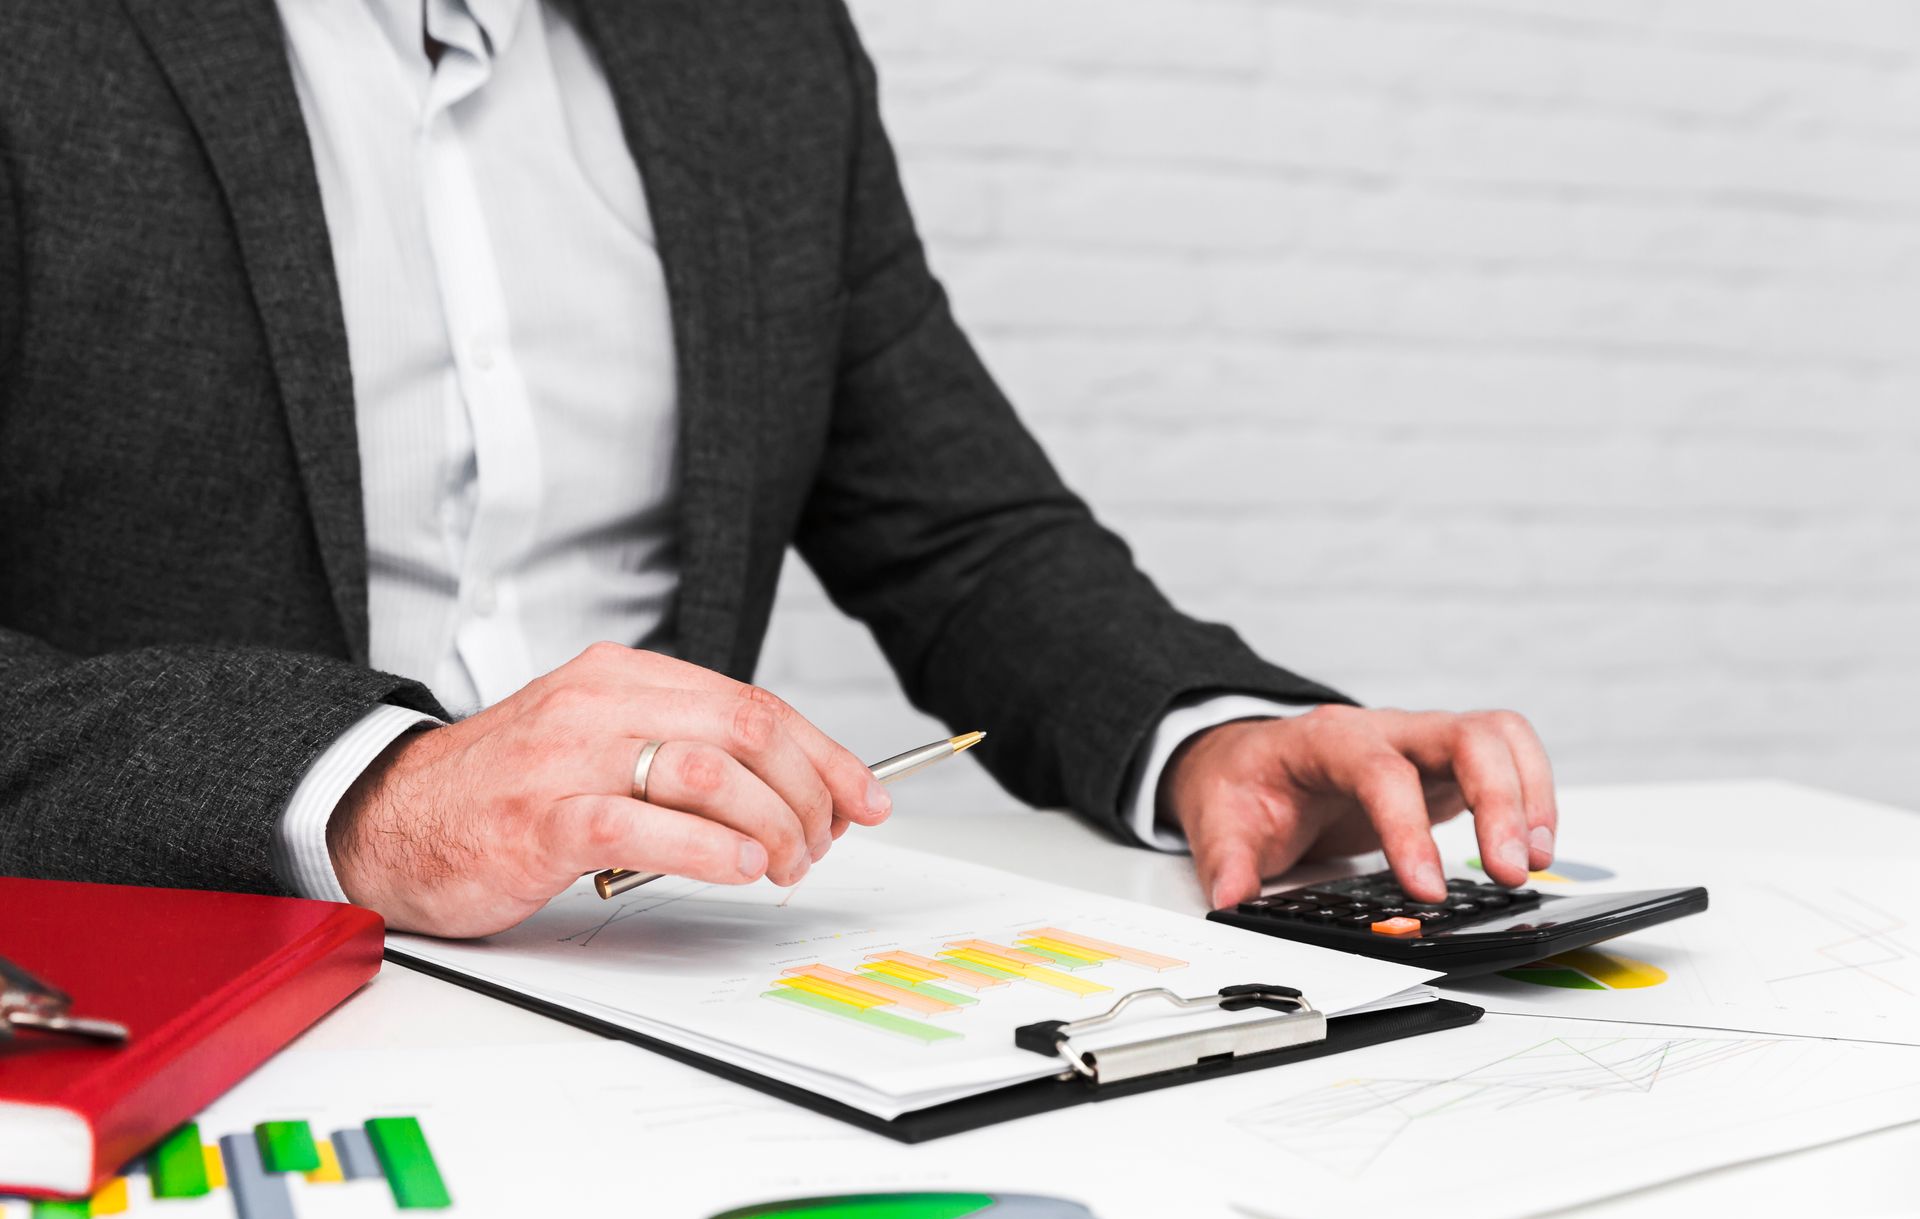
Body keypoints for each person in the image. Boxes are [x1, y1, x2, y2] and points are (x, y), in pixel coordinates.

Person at [0, 0, 1557, 938]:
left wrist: (1206, 734)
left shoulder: (763, 46)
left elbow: (956, 530)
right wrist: (374, 795)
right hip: (162, 984)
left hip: (675, 989)